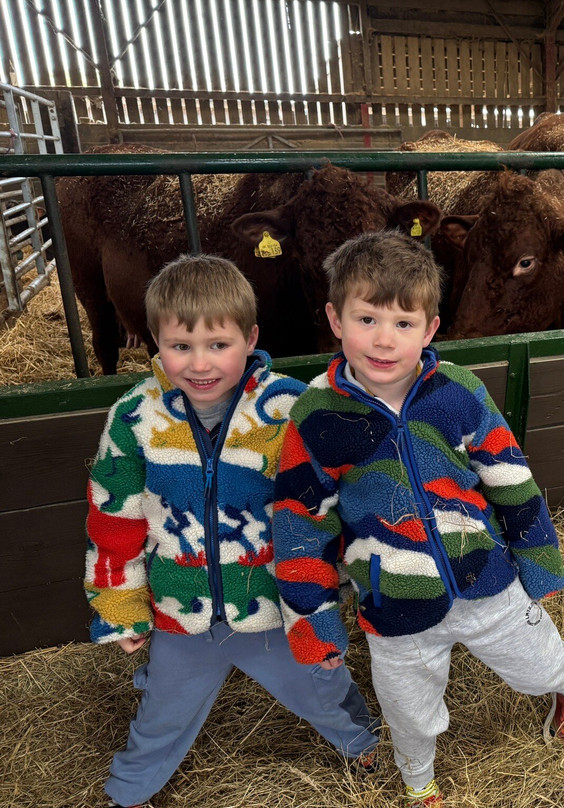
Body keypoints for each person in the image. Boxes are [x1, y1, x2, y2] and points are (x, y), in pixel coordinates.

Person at [272, 232, 564, 808]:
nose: (383, 339)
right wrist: (312, 623)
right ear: (334, 318)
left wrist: (539, 561)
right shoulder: (316, 416)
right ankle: (420, 782)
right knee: (408, 711)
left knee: (542, 662)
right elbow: (301, 522)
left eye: (403, 323)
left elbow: (509, 476)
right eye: (366, 318)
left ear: (431, 328)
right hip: (394, 602)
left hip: (487, 578)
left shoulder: (457, 391)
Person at [84, 255, 380, 808]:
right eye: (180, 345)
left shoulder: (289, 408)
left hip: (274, 606)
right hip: (180, 612)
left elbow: (327, 509)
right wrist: (120, 606)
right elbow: (113, 516)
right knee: (161, 717)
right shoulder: (134, 418)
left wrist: (339, 590)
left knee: (321, 683)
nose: (200, 364)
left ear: (251, 338)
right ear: (154, 341)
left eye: (218, 344)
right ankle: (128, 792)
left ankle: (363, 744)